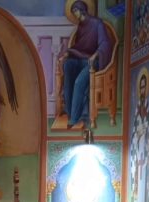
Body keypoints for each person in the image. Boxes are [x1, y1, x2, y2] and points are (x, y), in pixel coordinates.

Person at [59, 0, 113, 129]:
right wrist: (67, 54)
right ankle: (69, 111)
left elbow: (105, 44)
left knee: (79, 82)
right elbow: (79, 47)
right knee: (68, 66)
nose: (75, 14)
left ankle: (74, 118)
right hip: (81, 59)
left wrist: (95, 55)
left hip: (94, 62)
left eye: (75, 10)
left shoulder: (97, 23)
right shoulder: (81, 26)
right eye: (73, 12)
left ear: (81, 9)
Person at [130, 71, 149, 202]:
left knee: (143, 190)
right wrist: (138, 134)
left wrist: (146, 134)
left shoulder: (147, 108)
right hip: (137, 156)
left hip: (144, 157)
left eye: (145, 87)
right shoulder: (138, 108)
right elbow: (134, 132)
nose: (143, 90)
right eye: (141, 87)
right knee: (137, 191)